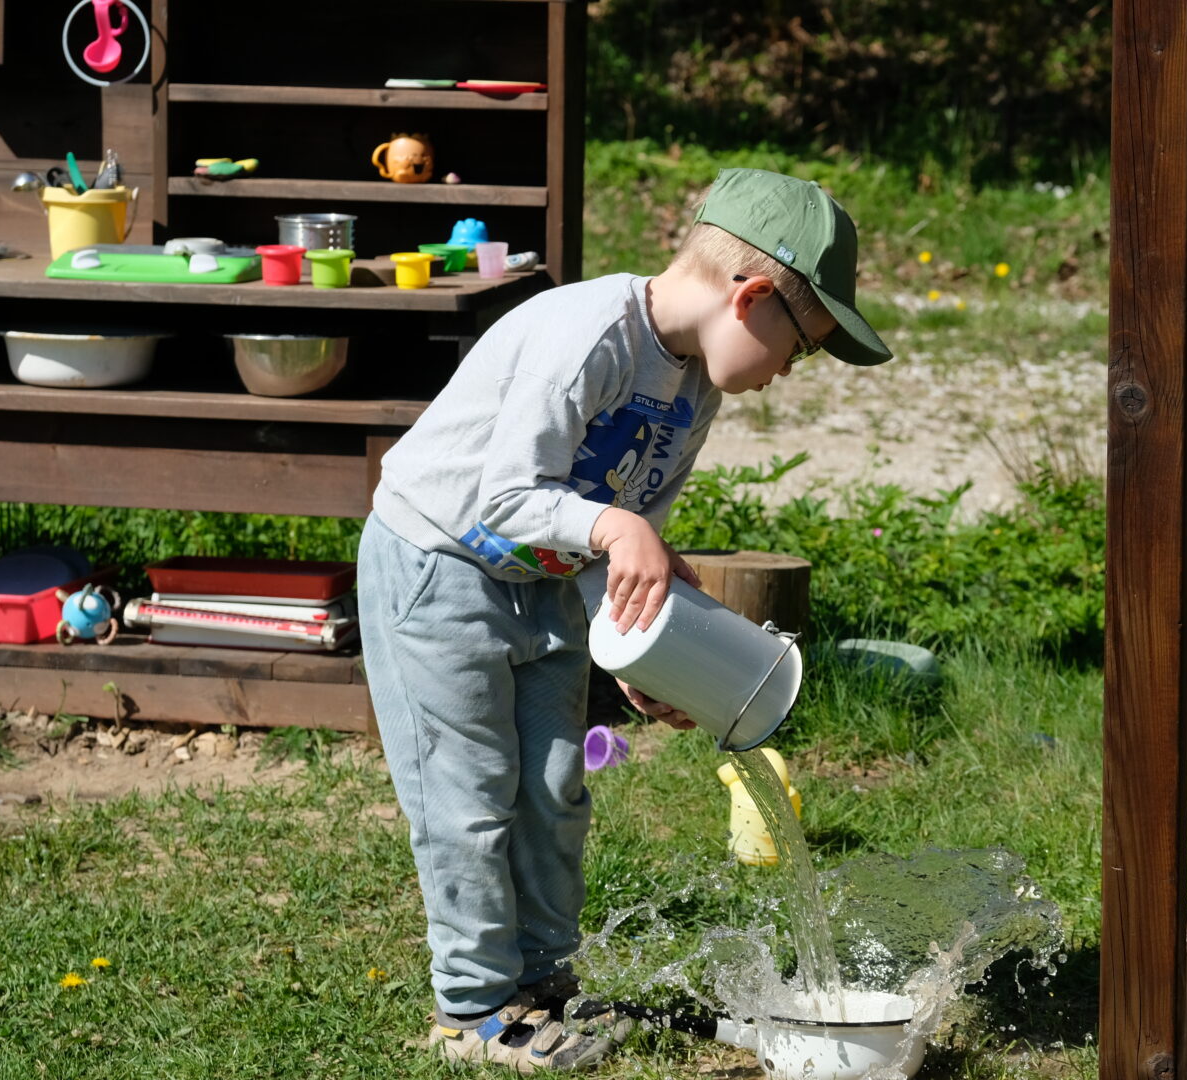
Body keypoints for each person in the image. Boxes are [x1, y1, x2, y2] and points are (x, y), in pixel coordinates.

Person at [358, 167, 892, 1072]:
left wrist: (648, 642)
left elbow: (622, 531)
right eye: (800, 348)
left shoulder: (700, 387)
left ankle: (542, 981)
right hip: (438, 570)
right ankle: (475, 1008)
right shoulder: (587, 333)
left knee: (555, 788)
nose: (788, 375)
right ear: (753, 298)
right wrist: (616, 527)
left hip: (548, 588)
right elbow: (511, 497)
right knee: (470, 797)